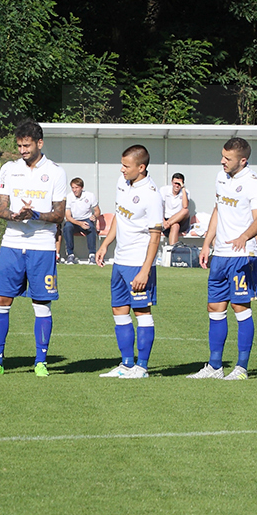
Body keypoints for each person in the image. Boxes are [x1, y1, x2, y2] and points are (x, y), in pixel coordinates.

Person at [0, 121, 67, 376]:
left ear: (39, 143)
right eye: (19, 146)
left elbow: (59, 214)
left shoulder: (56, 172)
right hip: (12, 243)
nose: (22, 150)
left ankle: (41, 362)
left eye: (27, 145)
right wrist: (14, 215)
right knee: (1, 299)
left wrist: (35, 214)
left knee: (41, 303)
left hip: (42, 246)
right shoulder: (9, 169)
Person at [191, 137, 257, 380]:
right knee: (214, 307)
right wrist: (206, 243)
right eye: (222, 156)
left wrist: (245, 237)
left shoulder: (254, 183)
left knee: (240, 307)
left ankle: (241, 368)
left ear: (242, 161)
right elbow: (218, 209)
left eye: (228, 159)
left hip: (242, 256)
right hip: (221, 254)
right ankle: (214, 367)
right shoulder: (221, 177)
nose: (222, 161)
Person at [94, 145, 161, 379]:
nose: (122, 169)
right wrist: (105, 245)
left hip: (138, 263)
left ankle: (142, 367)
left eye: (126, 165)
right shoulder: (122, 183)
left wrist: (145, 271)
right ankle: (126, 365)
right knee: (119, 310)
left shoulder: (152, 195)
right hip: (120, 261)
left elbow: (155, 236)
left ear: (141, 168)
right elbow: (119, 219)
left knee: (141, 312)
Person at [60, 178, 99, 264]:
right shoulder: (69, 197)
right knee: (67, 227)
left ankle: (92, 255)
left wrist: (94, 216)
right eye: (73, 188)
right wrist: (80, 223)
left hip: (86, 219)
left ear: (81, 187)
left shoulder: (90, 195)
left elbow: (97, 210)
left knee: (91, 227)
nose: (74, 190)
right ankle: (70, 255)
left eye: (76, 187)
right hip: (74, 221)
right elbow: (68, 217)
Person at [159, 173, 193, 251]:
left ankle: (166, 226)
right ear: (172, 182)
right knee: (175, 226)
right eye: (175, 183)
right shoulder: (164, 190)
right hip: (167, 220)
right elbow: (160, 207)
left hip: (181, 220)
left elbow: (185, 206)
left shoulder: (185, 192)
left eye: (179, 184)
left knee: (185, 211)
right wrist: (164, 221)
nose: (177, 186)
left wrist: (183, 188)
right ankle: (172, 252)